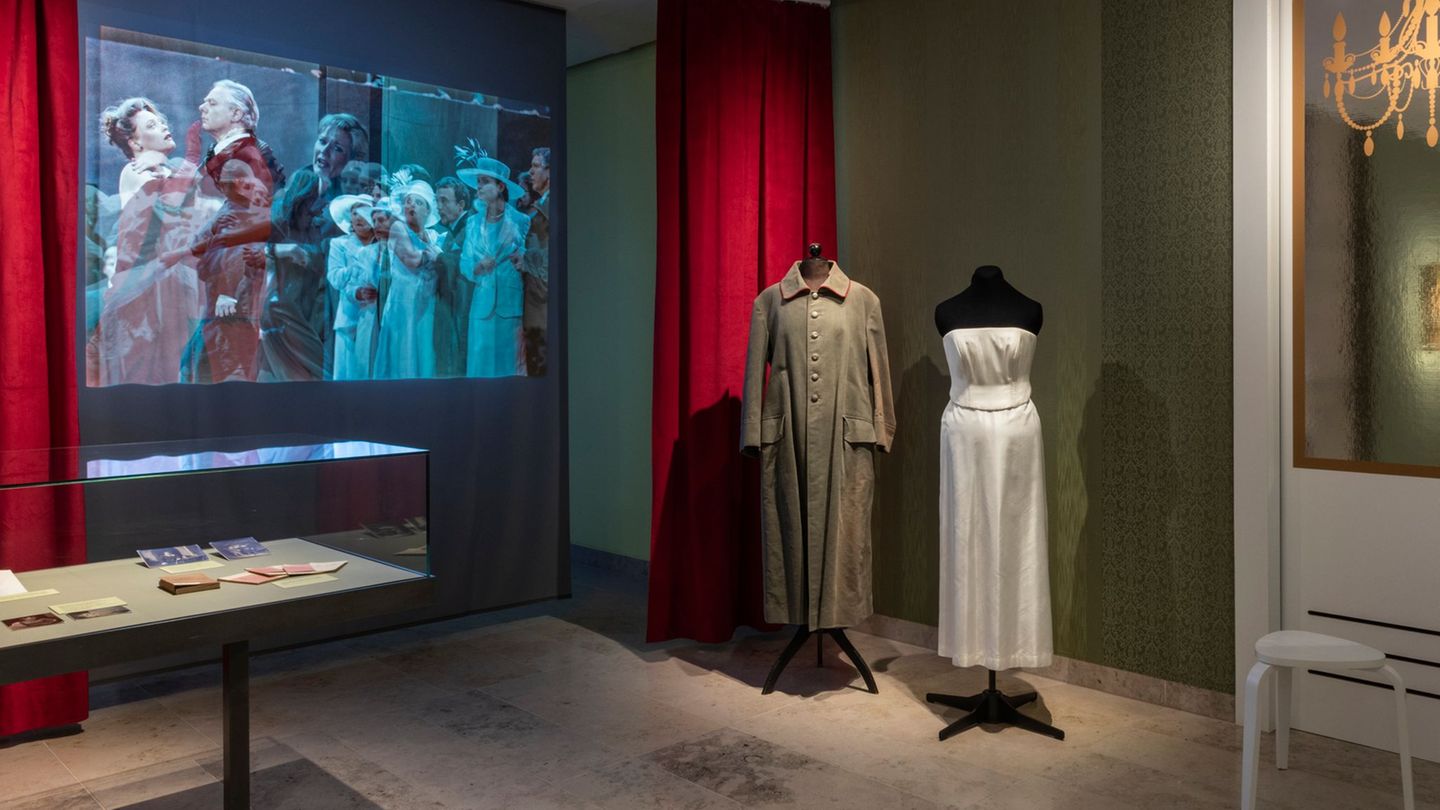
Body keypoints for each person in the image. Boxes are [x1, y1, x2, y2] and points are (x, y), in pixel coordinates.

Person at [91, 97, 205, 386]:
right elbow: (168, 209)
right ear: (136, 142)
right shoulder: (135, 171)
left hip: (178, 280)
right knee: (146, 371)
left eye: (162, 122)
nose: (165, 127)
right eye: (152, 125)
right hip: (147, 290)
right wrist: (191, 157)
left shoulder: (169, 170)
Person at [184, 80, 280, 383]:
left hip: (234, 290)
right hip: (214, 282)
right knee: (201, 363)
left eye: (212, 102)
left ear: (237, 112)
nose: (203, 107)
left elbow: (252, 223)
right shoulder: (220, 154)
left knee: (225, 364)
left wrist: (228, 285)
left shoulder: (253, 157)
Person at [263, 112, 369, 381]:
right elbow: (249, 251)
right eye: (323, 141)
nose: (325, 152)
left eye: (337, 148)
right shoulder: (289, 196)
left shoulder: (351, 207)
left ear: (351, 159)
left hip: (333, 313)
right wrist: (282, 252)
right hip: (285, 314)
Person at [459, 156, 529, 377]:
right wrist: (477, 267)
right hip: (481, 305)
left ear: (500, 186)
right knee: (480, 368)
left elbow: (529, 259)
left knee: (508, 366)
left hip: (509, 306)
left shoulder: (520, 221)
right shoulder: (473, 222)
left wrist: (523, 258)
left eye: (485, 181)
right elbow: (464, 262)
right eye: (478, 181)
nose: (479, 186)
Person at [374, 182, 440, 379]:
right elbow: (412, 260)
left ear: (428, 210)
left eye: (418, 202)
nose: (411, 206)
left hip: (425, 303)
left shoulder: (434, 236)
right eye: (409, 201)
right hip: (403, 305)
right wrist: (433, 256)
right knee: (404, 351)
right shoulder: (397, 227)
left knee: (423, 349)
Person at [326, 194, 381, 380]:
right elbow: (335, 277)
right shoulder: (340, 244)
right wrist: (355, 288)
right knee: (348, 374)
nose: (358, 217)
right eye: (354, 212)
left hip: (377, 317)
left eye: (363, 212)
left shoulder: (382, 245)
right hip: (349, 318)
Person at [432, 175, 473, 376]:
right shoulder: (451, 232)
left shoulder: (469, 228)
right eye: (437, 200)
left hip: (462, 307)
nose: (439, 206)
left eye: (444, 201)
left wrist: (439, 256)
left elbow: (464, 265)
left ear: (461, 204)